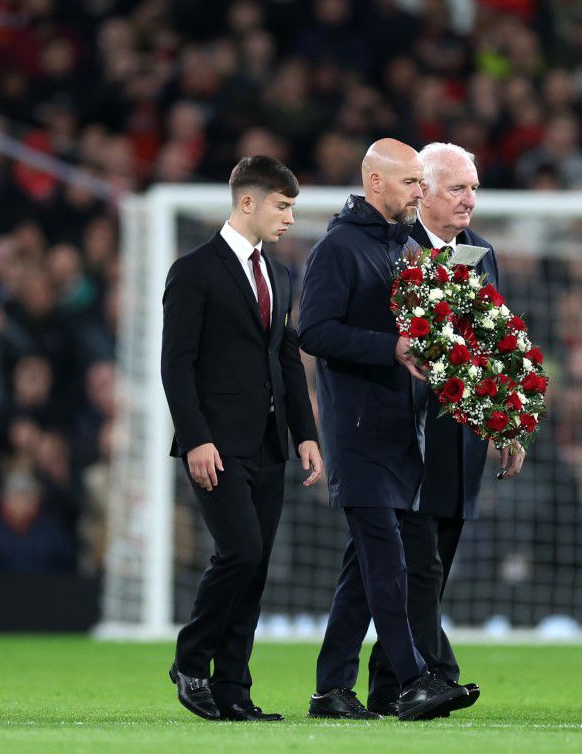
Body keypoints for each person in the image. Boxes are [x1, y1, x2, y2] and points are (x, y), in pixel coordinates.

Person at [298, 138, 469, 722]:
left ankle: (330, 689)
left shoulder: (402, 249)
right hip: (358, 430)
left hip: (402, 430)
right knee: (386, 561)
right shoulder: (338, 249)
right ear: (375, 184)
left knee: (360, 573)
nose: (419, 192)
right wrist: (389, 346)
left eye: (423, 183)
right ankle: (416, 679)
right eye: (410, 184)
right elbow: (313, 331)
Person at [364, 142, 525, 716]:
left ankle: (389, 685)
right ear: (422, 191)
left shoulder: (481, 252)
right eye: (457, 188)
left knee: (439, 558)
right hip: (405, 432)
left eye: (474, 188)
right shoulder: (392, 251)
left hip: (462, 434)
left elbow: (492, 341)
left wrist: (506, 420)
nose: (469, 200)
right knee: (420, 561)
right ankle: (434, 672)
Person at [161, 155, 322, 722]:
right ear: (246, 202)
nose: (288, 218)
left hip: (269, 445)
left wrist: (305, 434)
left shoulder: (278, 275)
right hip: (217, 445)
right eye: (282, 206)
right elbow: (176, 367)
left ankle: (233, 688)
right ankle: (190, 660)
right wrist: (196, 438)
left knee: (254, 568)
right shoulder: (194, 270)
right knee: (241, 552)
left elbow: (287, 362)